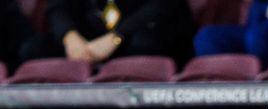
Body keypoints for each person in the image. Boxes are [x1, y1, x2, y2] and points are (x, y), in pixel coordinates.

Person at [22, 0, 195, 67]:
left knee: (145, 43)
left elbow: (162, 7)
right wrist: (70, 38)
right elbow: (58, 8)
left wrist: (117, 37)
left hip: (137, 33)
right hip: (89, 42)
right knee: (35, 49)